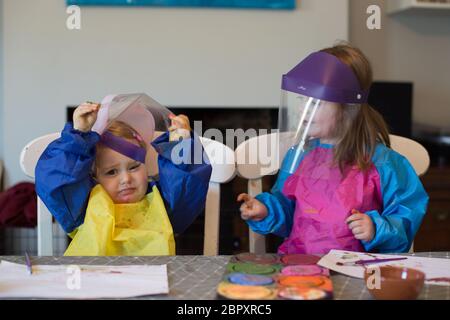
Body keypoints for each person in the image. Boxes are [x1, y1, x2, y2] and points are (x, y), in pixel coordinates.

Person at [237, 44, 428, 254]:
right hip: (300, 268)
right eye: (302, 100)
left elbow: (406, 217)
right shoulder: (300, 155)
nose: (303, 110)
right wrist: (265, 210)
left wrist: (376, 229)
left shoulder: (385, 163)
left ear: (349, 108)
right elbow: (287, 208)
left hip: (359, 270)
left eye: (316, 103)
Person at [35, 93, 212, 256]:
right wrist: (78, 137)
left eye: (134, 167)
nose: (126, 179)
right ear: (94, 176)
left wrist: (180, 144)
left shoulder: (165, 204)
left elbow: (186, 184)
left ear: (145, 166)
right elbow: (55, 178)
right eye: (111, 172)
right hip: (93, 284)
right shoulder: (82, 206)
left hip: (152, 284)